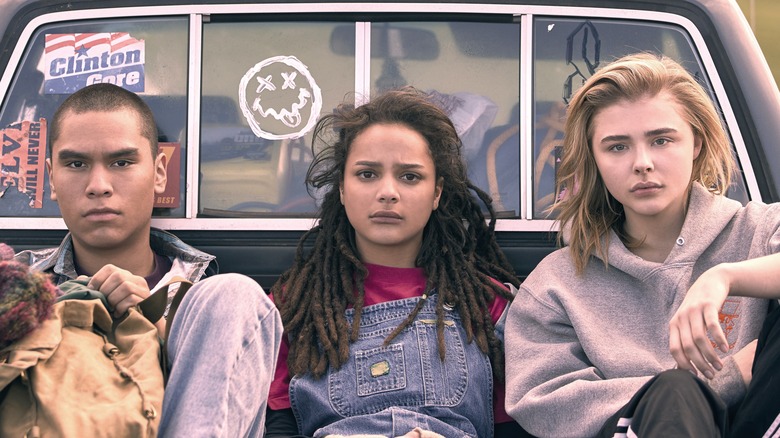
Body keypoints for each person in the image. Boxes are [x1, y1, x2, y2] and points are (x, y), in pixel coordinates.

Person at [504, 52, 780, 437]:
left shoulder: (760, 229)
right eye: (617, 147)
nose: (643, 163)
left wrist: (724, 277)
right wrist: (721, 380)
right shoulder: (557, 284)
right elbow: (544, 401)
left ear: (696, 143)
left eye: (661, 140)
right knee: (675, 392)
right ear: (595, 160)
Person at [14, 82, 283, 437]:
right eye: (76, 163)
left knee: (236, 293)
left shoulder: (211, 303)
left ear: (159, 173)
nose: (98, 185)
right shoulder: (18, 285)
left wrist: (156, 334)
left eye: (121, 162)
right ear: (51, 177)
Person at [265, 87, 526, 437]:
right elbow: (276, 425)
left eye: (410, 176)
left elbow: (516, 428)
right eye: (367, 174)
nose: (388, 191)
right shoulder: (290, 306)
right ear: (341, 189)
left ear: (436, 193)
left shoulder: (487, 305)